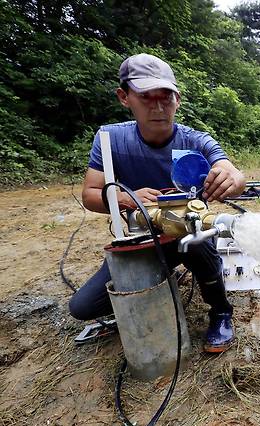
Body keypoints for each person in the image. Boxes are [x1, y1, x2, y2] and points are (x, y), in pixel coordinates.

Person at [68, 53, 246, 353]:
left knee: (198, 243)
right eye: (146, 97)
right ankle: (158, 282)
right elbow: (89, 194)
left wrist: (233, 180)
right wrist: (125, 197)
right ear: (125, 97)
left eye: (166, 97)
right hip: (140, 241)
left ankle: (221, 310)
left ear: (177, 99)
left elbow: (232, 173)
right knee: (83, 307)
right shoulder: (110, 140)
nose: (159, 107)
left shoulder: (196, 141)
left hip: (189, 237)